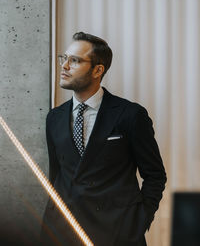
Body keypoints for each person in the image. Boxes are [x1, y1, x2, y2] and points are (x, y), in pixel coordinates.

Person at [41, 32, 167, 246]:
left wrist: (139, 221)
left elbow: (155, 176)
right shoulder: (54, 118)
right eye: (64, 58)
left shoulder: (130, 115)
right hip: (62, 233)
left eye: (75, 60)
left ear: (98, 70)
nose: (64, 66)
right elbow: (57, 175)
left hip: (116, 233)